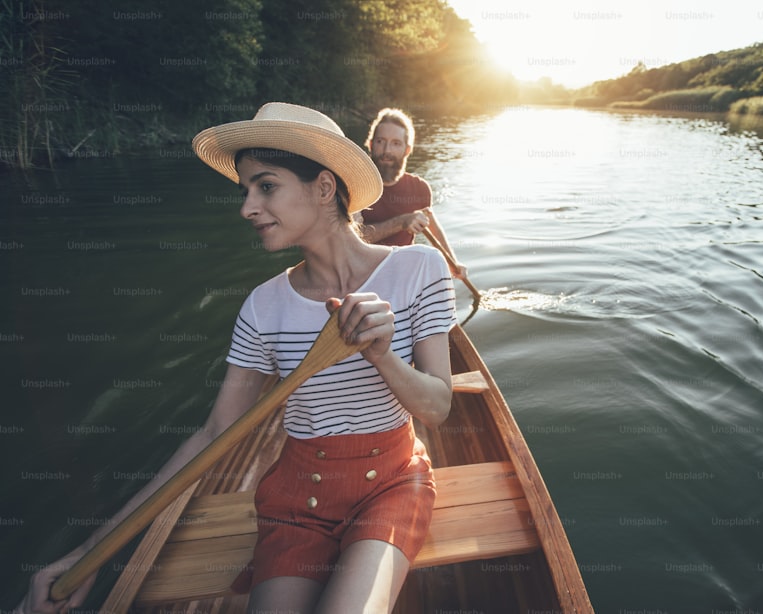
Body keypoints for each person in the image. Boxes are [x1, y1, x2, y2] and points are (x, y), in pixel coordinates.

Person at [18, 102, 456, 614]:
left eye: (266, 186)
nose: (247, 208)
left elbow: (438, 407)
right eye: (246, 191)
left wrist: (383, 356)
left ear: (323, 187)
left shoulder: (420, 270)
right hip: (298, 501)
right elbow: (213, 436)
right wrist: (87, 555)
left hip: (391, 481)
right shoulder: (262, 306)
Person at [357, 108, 468, 280]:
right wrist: (402, 222)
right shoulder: (355, 185)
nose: (387, 150)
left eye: (396, 143)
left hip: (404, 277)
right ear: (371, 144)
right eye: (380, 141)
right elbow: (355, 238)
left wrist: (452, 262)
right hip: (363, 277)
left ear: (407, 150)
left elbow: (430, 223)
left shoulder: (420, 189)